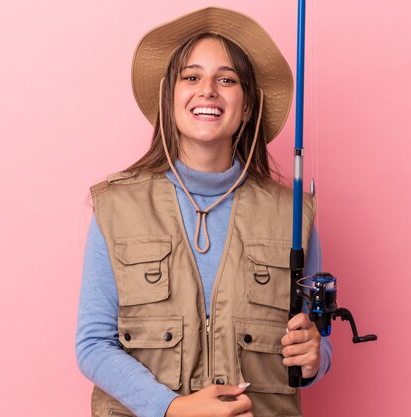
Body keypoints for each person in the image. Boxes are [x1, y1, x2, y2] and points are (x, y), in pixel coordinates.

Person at [76, 7, 332, 417]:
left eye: (227, 79)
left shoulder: (294, 214)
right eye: (191, 77)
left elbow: (314, 341)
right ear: (169, 98)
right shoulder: (116, 208)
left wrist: (317, 357)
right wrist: (173, 408)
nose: (208, 90)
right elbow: (93, 345)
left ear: (247, 107)